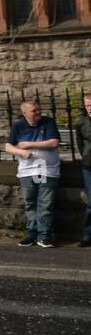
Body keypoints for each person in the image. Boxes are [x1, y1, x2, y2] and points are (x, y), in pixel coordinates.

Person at [5, 98, 62, 248]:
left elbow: (54, 142)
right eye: (34, 110)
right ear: (24, 113)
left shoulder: (48, 122)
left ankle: (44, 235)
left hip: (44, 168)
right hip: (27, 170)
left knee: (45, 203)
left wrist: (30, 144)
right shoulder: (18, 126)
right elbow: (8, 147)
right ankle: (31, 233)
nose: (38, 112)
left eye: (38, 109)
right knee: (30, 202)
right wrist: (20, 152)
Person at [78, 94, 91, 249]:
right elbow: (80, 144)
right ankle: (88, 234)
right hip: (89, 165)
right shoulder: (82, 122)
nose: (90, 108)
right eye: (87, 105)